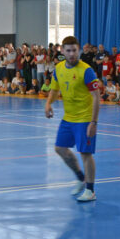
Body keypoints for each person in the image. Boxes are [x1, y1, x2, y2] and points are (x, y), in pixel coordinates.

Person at [44, 36, 101, 203]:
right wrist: (48, 103)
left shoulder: (86, 71)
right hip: (68, 118)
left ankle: (90, 190)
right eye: (68, 51)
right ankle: (81, 178)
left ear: (79, 50)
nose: (71, 54)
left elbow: (96, 97)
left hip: (85, 118)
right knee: (60, 148)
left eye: (74, 50)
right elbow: (55, 90)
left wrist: (93, 122)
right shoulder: (58, 69)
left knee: (85, 153)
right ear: (62, 51)